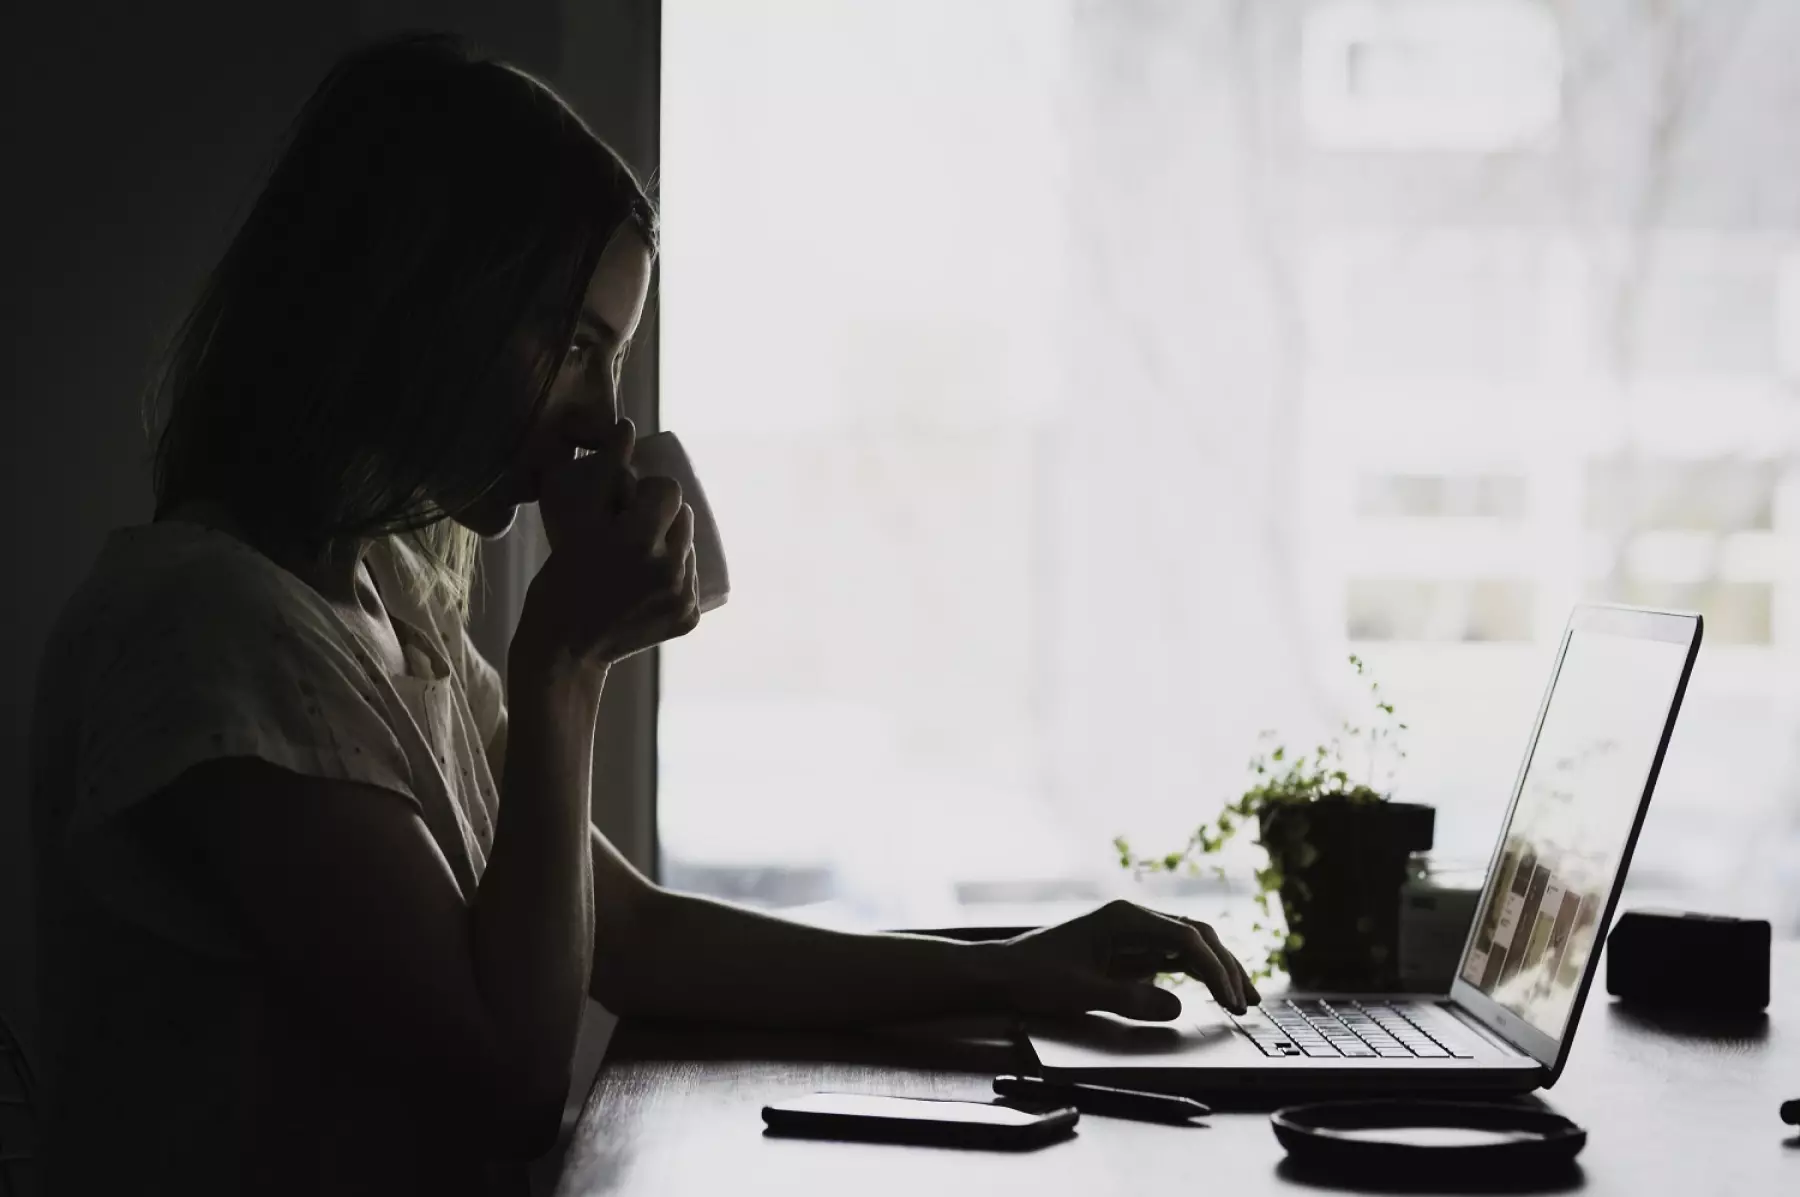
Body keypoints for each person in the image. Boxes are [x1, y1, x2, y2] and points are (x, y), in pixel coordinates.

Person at [28, 31, 1256, 1196]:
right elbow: (506, 1078)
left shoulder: (385, 601)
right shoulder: (210, 631)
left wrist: (1016, 969)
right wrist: (565, 662)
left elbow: (630, 933)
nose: (605, 420)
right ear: (419, 306)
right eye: (574, 345)